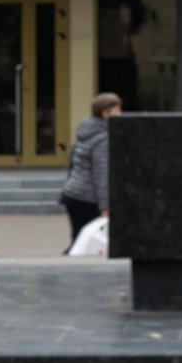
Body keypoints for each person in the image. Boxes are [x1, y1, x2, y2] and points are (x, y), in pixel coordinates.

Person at [60, 92, 121, 247]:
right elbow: (102, 175)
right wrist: (105, 207)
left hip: (73, 194)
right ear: (106, 113)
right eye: (117, 110)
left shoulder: (86, 131)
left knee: (78, 239)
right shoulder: (103, 139)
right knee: (85, 244)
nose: (121, 114)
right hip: (88, 198)